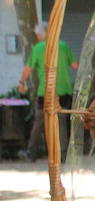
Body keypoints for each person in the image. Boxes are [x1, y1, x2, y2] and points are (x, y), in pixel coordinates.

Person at [18, 22, 76, 161]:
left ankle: (31, 154)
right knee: (61, 122)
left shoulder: (38, 48)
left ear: (42, 34)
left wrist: (21, 82)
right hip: (64, 91)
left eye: (38, 34)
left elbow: (28, 69)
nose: (37, 37)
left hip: (46, 92)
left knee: (39, 122)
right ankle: (62, 155)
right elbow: (75, 65)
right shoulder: (63, 46)